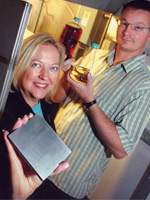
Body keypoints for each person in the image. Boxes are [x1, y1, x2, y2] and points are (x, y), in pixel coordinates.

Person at [28, 0, 150, 199]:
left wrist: (90, 101)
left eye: (138, 27)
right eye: (124, 23)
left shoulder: (144, 85)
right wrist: (62, 73)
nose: (127, 31)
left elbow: (120, 148)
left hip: (68, 182)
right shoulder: (95, 56)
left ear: (149, 34)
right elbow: (58, 97)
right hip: (40, 160)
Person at [0, 33, 72, 199]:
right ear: (21, 65)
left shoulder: (44, 105)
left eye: (53, 68)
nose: (45, 76)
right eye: (36, 64)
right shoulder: (9, 116)